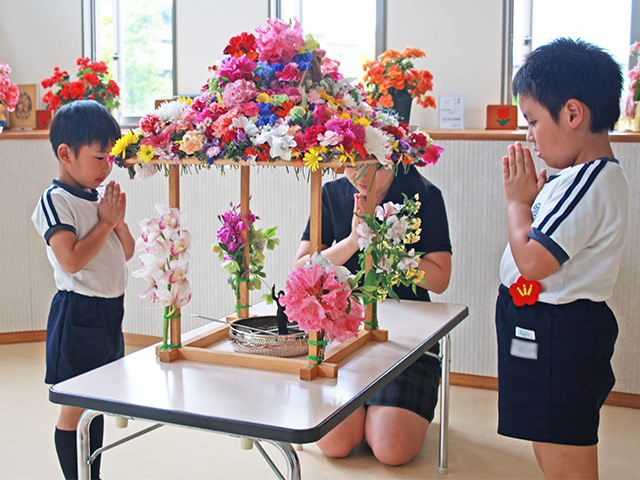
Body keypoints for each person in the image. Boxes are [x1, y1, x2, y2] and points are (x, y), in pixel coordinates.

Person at [497, 38, 628, 479]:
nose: (528, 135)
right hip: (544, 327)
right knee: (546, 430)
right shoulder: (577, 177)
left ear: (573, 114)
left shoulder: (589, 181)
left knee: (564, 447)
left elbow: (534, 262)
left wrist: (517, 203)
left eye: (532, 121)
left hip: (558, 333)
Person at [294, 162, 452, 465]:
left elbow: (440, 278)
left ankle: (383, 412)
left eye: (375, 167)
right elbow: (301, 268)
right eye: (352, 165)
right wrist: (353, 242)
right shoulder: (332, 193)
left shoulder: (422, 194)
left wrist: (385, 250)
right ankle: (367, 410)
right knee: (335, 442)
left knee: (392, 449)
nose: (361, 176)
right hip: (345, 336)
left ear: (392, 160)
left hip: (407, 339)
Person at [31, 100, 135, 479]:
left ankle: (93, 473)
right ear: (66, 154)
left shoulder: (97, 197)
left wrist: (117, 221)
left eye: (110, 158)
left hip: (109, 311)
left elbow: (126, 252)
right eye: (99, 158)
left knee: (97, 402)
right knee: (74, 407)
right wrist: (106, 224)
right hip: (78, 314)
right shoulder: (55, 200)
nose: (107, 167)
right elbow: (71, 260)